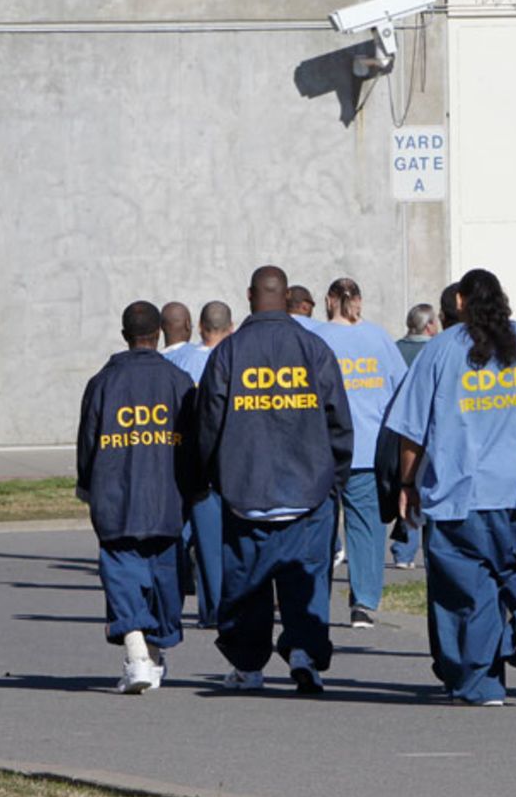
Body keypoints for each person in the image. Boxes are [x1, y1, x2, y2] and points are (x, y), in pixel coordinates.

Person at [386, 269, 516, 705]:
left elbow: (412, 433)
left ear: (459, 302)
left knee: (467, 594)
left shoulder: (439, 351)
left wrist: (409, 482)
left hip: (462, 499)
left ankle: (480, 684)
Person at [196, 265, 353, 694]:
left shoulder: (227, 354)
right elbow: (338, 420)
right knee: (307, 582)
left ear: (250, 296)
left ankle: (248, 667)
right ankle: (305, 652)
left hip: (247, 490)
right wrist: (334, 478)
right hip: (309, 491)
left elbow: (207, 422)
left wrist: (212, 475)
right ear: (286, 298)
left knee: (247, 586)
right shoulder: (314, 348)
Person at [76, 301, 197, 693]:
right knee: (165, 577)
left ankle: (143, 656)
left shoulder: (102, 383)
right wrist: (195, 487)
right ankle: (143, 655)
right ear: (157, 334)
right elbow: (194, 444)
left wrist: (87, 484)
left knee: (123, 573)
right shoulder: (178, 382)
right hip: (166, 497)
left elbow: (88, 441)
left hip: (117, 497)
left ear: (125, 335)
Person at [314, 278, 408, 628]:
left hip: (325, 448)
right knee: (366, 527)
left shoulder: (319, 339)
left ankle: (315, 599)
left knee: (321, 526)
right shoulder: (380, 338)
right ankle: (364, 602)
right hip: (369, 447)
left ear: (329, 300)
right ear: (359, 301)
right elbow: (402, 387)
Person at [168, 301, 235, 627]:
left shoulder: (180, 361)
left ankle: (206, 608)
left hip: (191, 463)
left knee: (200, 542)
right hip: (230, 462)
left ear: (199, 327)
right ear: (231, 326)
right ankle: (227, 607)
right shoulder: (237, 359)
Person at [389, 303, 439, 568]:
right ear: (429, 325)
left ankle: (403, 550)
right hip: (428, 433)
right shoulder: (435, 351)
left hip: (398, 432)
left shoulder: (395, 349)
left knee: (405, 490)